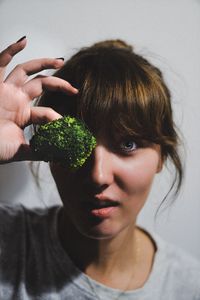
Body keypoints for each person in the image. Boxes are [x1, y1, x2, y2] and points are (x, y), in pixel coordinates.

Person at [0, 36, 200, 300]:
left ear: (162, 155)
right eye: (73, 142)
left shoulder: (189, 286)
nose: (98, 176)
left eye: (128, 144)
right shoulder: (7, 239)